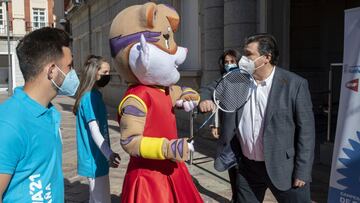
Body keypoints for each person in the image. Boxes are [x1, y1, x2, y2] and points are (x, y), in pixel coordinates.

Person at [199, 33, 315, 203]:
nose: (243, 59)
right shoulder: (236, 79)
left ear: (266, 57)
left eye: (248, 54)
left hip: (284, 168)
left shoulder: (294, 85)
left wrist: (302, 171)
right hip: (247, 169)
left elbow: (307, 133)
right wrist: (205, 99)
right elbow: (210, 89)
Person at [0, 27, 76, 202]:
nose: (73, 73)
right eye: (69, 66)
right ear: (52, 71)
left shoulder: (50, 113)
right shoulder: (8, 124)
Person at [72, 55, 121, 203]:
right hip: (94, 160)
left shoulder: (95, 95)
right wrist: (109, 154)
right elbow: (94, 131)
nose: (108, 76)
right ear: (94, 73)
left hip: (98, 158)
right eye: (104, 73)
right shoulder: (89, 98)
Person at [200, 49, 240, 203]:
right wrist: (204, 100)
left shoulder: (250, 80)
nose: (230, 65)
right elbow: (206, 91)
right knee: (233, 168)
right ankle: (236, 197)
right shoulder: (223, 81)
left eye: (232, 61)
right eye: (227, 62)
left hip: (249, 134)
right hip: (230, 134)